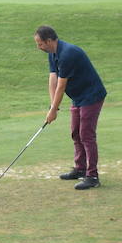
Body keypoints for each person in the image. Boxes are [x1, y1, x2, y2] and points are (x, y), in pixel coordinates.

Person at [34, 25, 107, 190]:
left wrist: (53, 110)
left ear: (49, 40)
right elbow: (53, 78)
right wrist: (54, 106)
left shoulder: (68, 54)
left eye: (40, 43)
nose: (39, 47)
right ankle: (80, 168)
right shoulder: (53, 53)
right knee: (76, 132)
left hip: (92, 96)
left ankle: (92, 176)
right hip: (78, 97)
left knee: (86, 135)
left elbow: (61, 86)